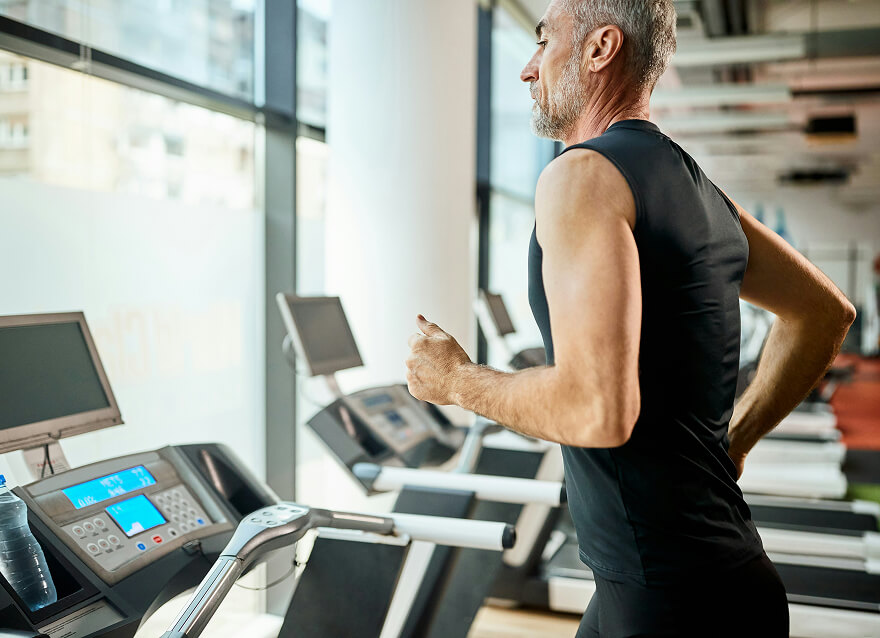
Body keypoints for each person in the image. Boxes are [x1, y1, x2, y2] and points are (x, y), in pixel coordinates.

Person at [405, 1, 855, 636]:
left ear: (600, 48)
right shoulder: (698, 186)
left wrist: (456, 382)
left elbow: (596, 410)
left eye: (545, 42)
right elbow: (823, 312)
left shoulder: (580, 176)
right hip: (718, 581)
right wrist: (736, 441)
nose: (529, 70)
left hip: (668, 601)